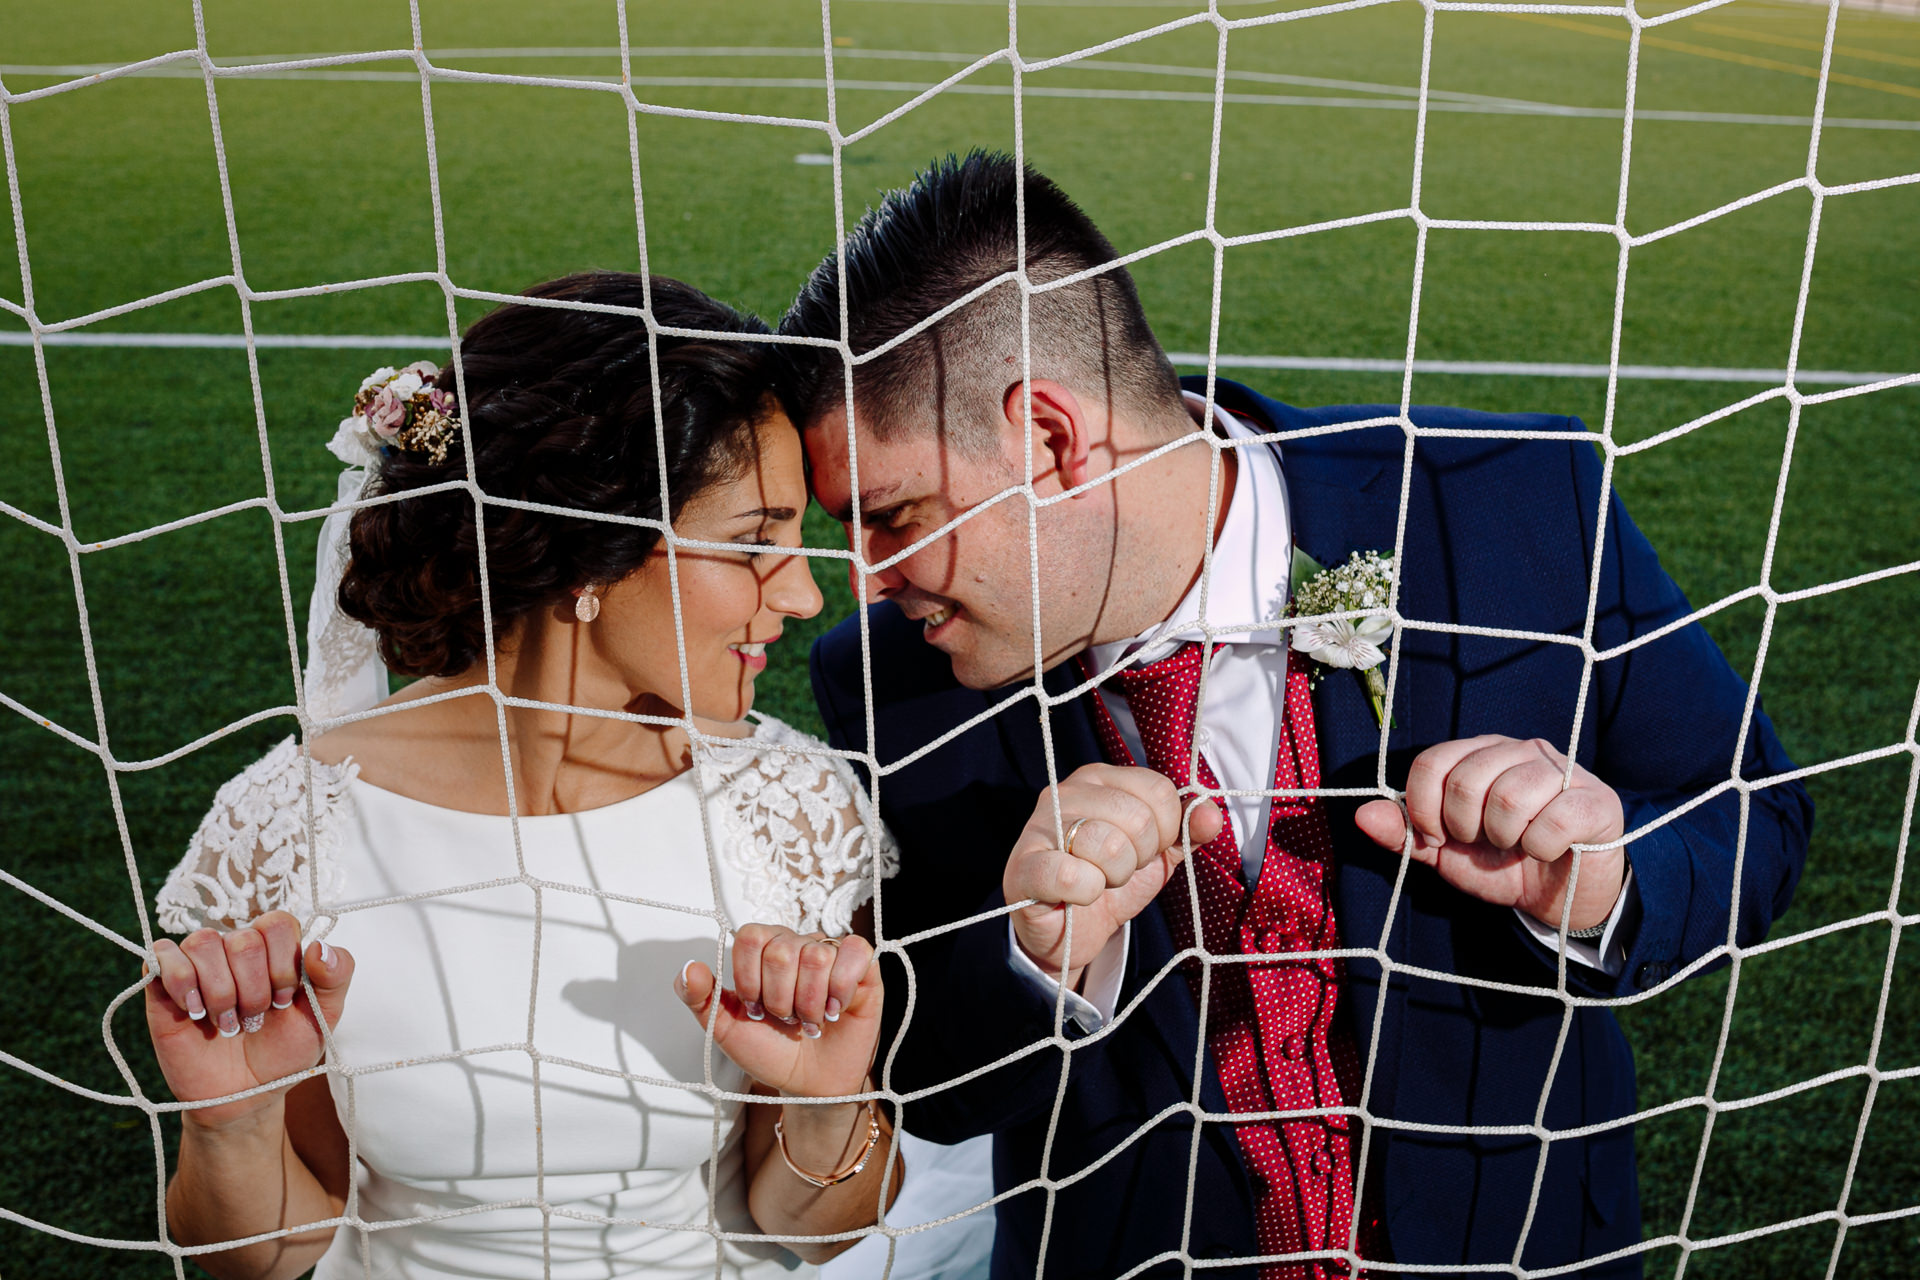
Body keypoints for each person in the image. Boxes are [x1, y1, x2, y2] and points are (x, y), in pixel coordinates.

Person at [784, 153, 1814, 1279]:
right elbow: (935, 1072)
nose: (864, 579)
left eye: (888, 516)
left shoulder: (1514, 498)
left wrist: (1602, 877)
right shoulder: (891, 676)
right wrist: (1039, 958)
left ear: (1049, 439)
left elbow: (1754, 813)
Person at [143, 274, 905, 1280]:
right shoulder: (292, 827)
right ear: (590, 556)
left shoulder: (791, 812)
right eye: (752, 544)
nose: (805, 593)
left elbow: (817, 1229)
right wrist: (232, 1126)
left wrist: (822, 1100)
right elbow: (270, 1256)